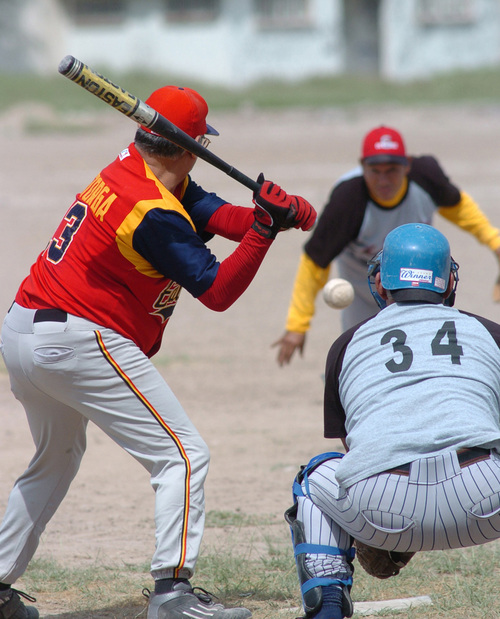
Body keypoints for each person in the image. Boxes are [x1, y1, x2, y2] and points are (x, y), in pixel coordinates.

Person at [0, 85, 316, 619]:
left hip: (23, 331)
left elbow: (215, 214)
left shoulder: (134, 168)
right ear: (190, 148)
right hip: (76, 339)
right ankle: (173, 592)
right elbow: (217, 292)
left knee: (56, 457)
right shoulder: (151, 213)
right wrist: (264, 230)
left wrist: (271, 215)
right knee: (183, 456)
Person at [284, 223, 500, 619]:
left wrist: (389, 528)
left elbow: (357, 448)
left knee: (313, 480)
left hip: (383, 507)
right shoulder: (489, 333)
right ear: (449, 281)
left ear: (381, 281)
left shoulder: (347, 344)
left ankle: (327, 607)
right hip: (487, 498)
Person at [273, 125, 500, 366]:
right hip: (362, 291)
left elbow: (461, 210)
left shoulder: (426, 178)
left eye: (391, 170)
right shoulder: (347, 201)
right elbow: (314, 262)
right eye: (375, 170)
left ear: (407, 165)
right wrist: (297, 325)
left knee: (425, 349)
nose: (383, 180)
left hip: (417, 284)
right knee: (363, 358)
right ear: (363, 166)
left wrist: (495, 243)